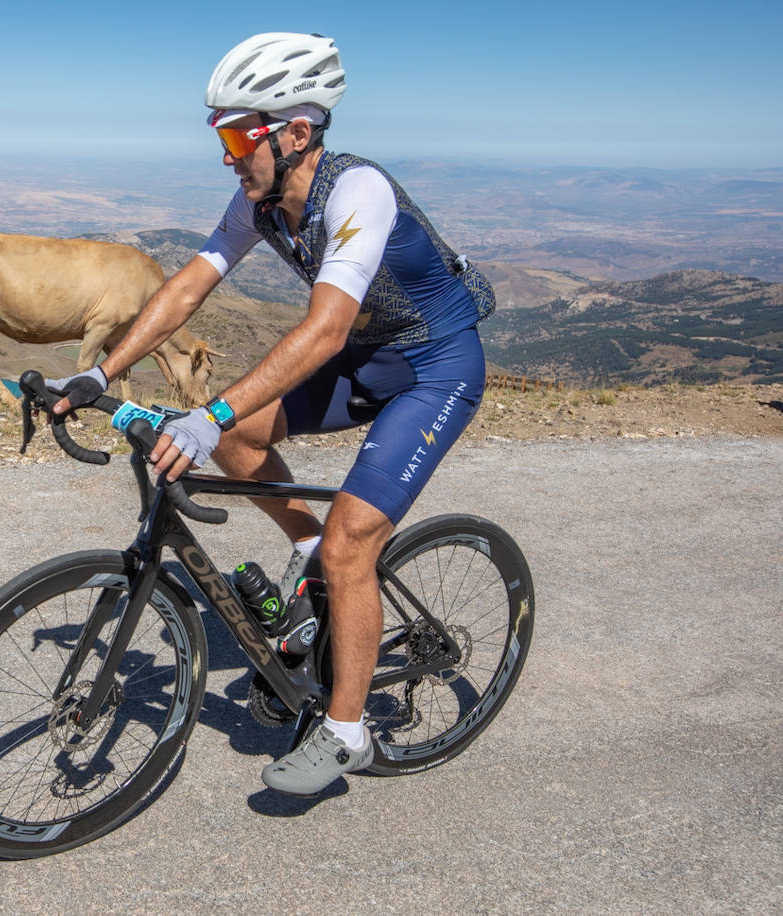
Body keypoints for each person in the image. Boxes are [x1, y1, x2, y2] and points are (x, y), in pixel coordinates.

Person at [51, 31, 495, 797]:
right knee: (248, 442)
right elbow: (191, 283)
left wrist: (212, 412)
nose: (227, 155)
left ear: (296, 133)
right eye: (219, 136)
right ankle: (311, 555)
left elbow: (323, 330)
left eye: (236, 136)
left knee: (353, 541)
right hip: (370, 355)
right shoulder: (259, 198)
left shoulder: (359, 192)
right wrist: (101, 370)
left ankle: (346, 730)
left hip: (435, 367)